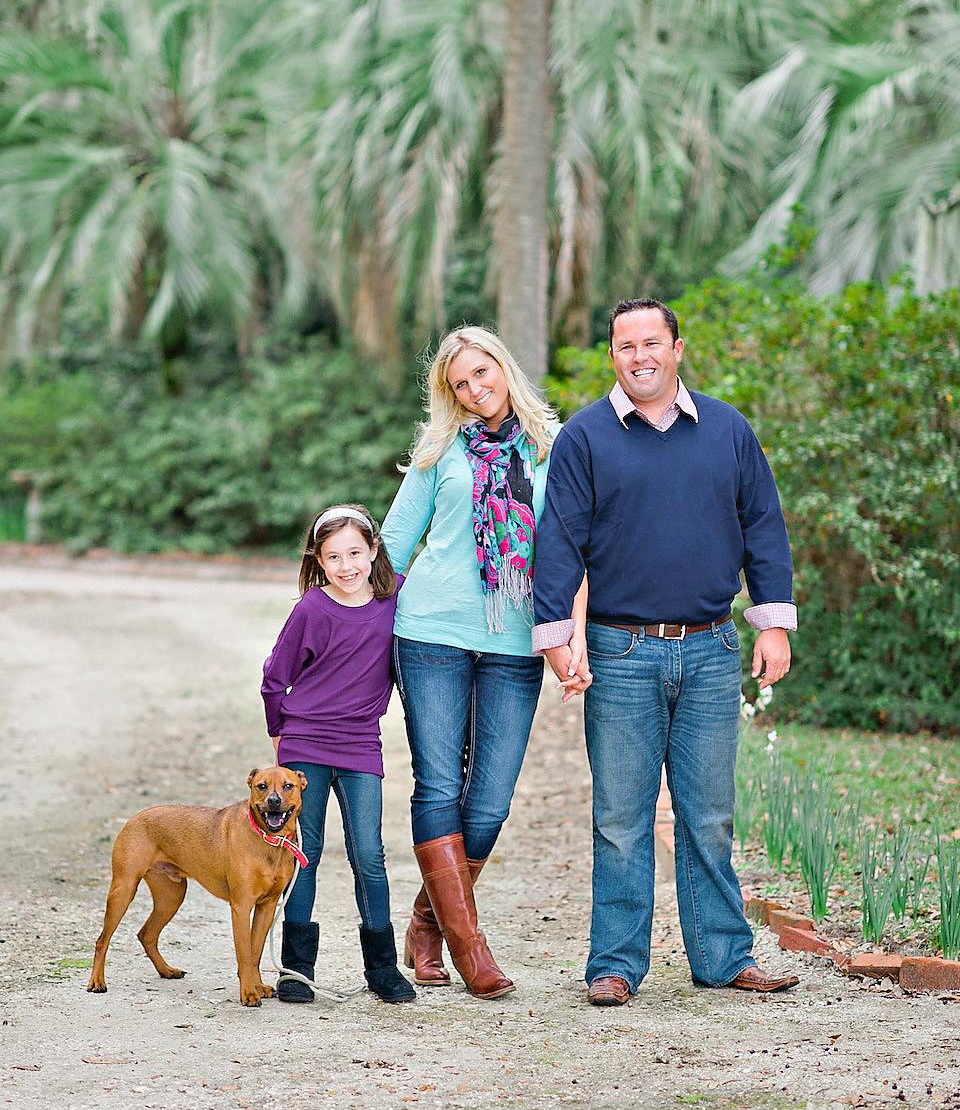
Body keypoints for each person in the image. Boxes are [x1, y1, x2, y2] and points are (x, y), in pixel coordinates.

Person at [532, 298, 799, 1004]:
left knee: (709, 814)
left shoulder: (727, 431)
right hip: (620, 653)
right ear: (612, 355)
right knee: (621, 819)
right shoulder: (586, 438)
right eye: (626, 345)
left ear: (677, 347)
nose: (640, 356)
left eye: (652, 342)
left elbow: (763, 527)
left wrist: (771, 623)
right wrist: (558, 638)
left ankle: (723, 957)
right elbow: (558, 542)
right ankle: (615, 966)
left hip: (711, 650)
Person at [380, 325, 587, 1000]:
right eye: (459, 383)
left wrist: (570, 637)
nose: (474, 389)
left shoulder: (554, 449)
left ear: (505, 367)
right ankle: (471, 949)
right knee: (439, 787)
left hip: (514, 639)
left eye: (481, 373)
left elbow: (571, 551)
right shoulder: (438, 451)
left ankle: (425, 923)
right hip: (432, 631)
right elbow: (392, 546)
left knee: (490, 801)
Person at [261, 504, 416, 1005]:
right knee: (303, 853)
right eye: (333, 557)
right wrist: (280, 734)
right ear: (319, 561)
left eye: (355, 552)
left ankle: (383, 968)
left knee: (368, 853)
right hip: (305, 741)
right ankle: (296, 969)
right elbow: (275, 676)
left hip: (359, 744)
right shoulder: (312, 608)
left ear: (374, 551)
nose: (346, 566)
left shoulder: (399, 599)